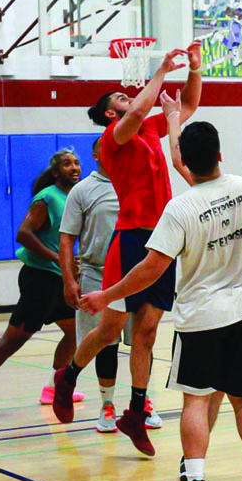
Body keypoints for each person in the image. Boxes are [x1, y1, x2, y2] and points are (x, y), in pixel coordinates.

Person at [79, 113, 242, 481]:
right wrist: (229, 261)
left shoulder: (179, 208)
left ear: (183, 161)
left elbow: (150, 269)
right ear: (221, 153)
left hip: (201, 318)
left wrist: (107, 295)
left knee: (195, 402)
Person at [52, 43, 202, 459]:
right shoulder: (115, 135)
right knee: (108, 331)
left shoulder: (153, 130)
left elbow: (187, 104)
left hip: (163, 237)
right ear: (109, 113)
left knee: (148, 332)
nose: (126, 96)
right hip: (130, 238)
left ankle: (136, 411)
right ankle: (68, 378)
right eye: (119, 97)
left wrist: (193, 69)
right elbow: (137, 111)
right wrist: (160, 69)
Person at [0, 149, 83, 421]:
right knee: (13, 340)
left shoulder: (72, 198)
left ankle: (54, 387)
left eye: (77, 162)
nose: (74, 167)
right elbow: (23, 234)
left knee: (76, 332)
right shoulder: (47, 199)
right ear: (56, 172)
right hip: (40, 279)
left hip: (58, 279)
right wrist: (58, 257)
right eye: (67, 164)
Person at [59, 138, 162, 433]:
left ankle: (139, 404)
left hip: (137, 276)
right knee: (106, 342)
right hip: (97, 274)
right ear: (96, 154)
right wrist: (69, 279)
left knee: (143, 340)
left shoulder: (135, 182)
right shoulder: (83, 191)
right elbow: (67, 238)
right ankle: (107, 404)